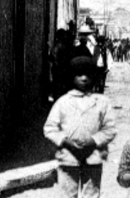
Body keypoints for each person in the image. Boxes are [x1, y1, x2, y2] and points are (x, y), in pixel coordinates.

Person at [43, 56, 118, 198]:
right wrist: (66, 141)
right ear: (71, 77)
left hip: (93, 157)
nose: (84, 79)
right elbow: (50, 128)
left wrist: (94, 140)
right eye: (79, 75)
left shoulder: (101, 102)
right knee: (67, 194)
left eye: (88, 75)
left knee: (91, 194)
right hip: (68, 157)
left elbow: (110, 128)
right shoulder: (63, 102)